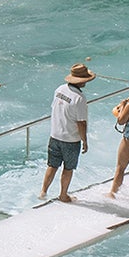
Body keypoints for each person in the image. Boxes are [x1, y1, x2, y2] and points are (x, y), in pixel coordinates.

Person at [40, 62, 95, 202]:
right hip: (70, 139)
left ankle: (43, 192)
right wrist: (85, 141)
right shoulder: (80, 98)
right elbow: (81, 123)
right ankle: (63, 195)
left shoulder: (59, 89)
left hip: (55, 135)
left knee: (52, 165)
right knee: (68, 168)